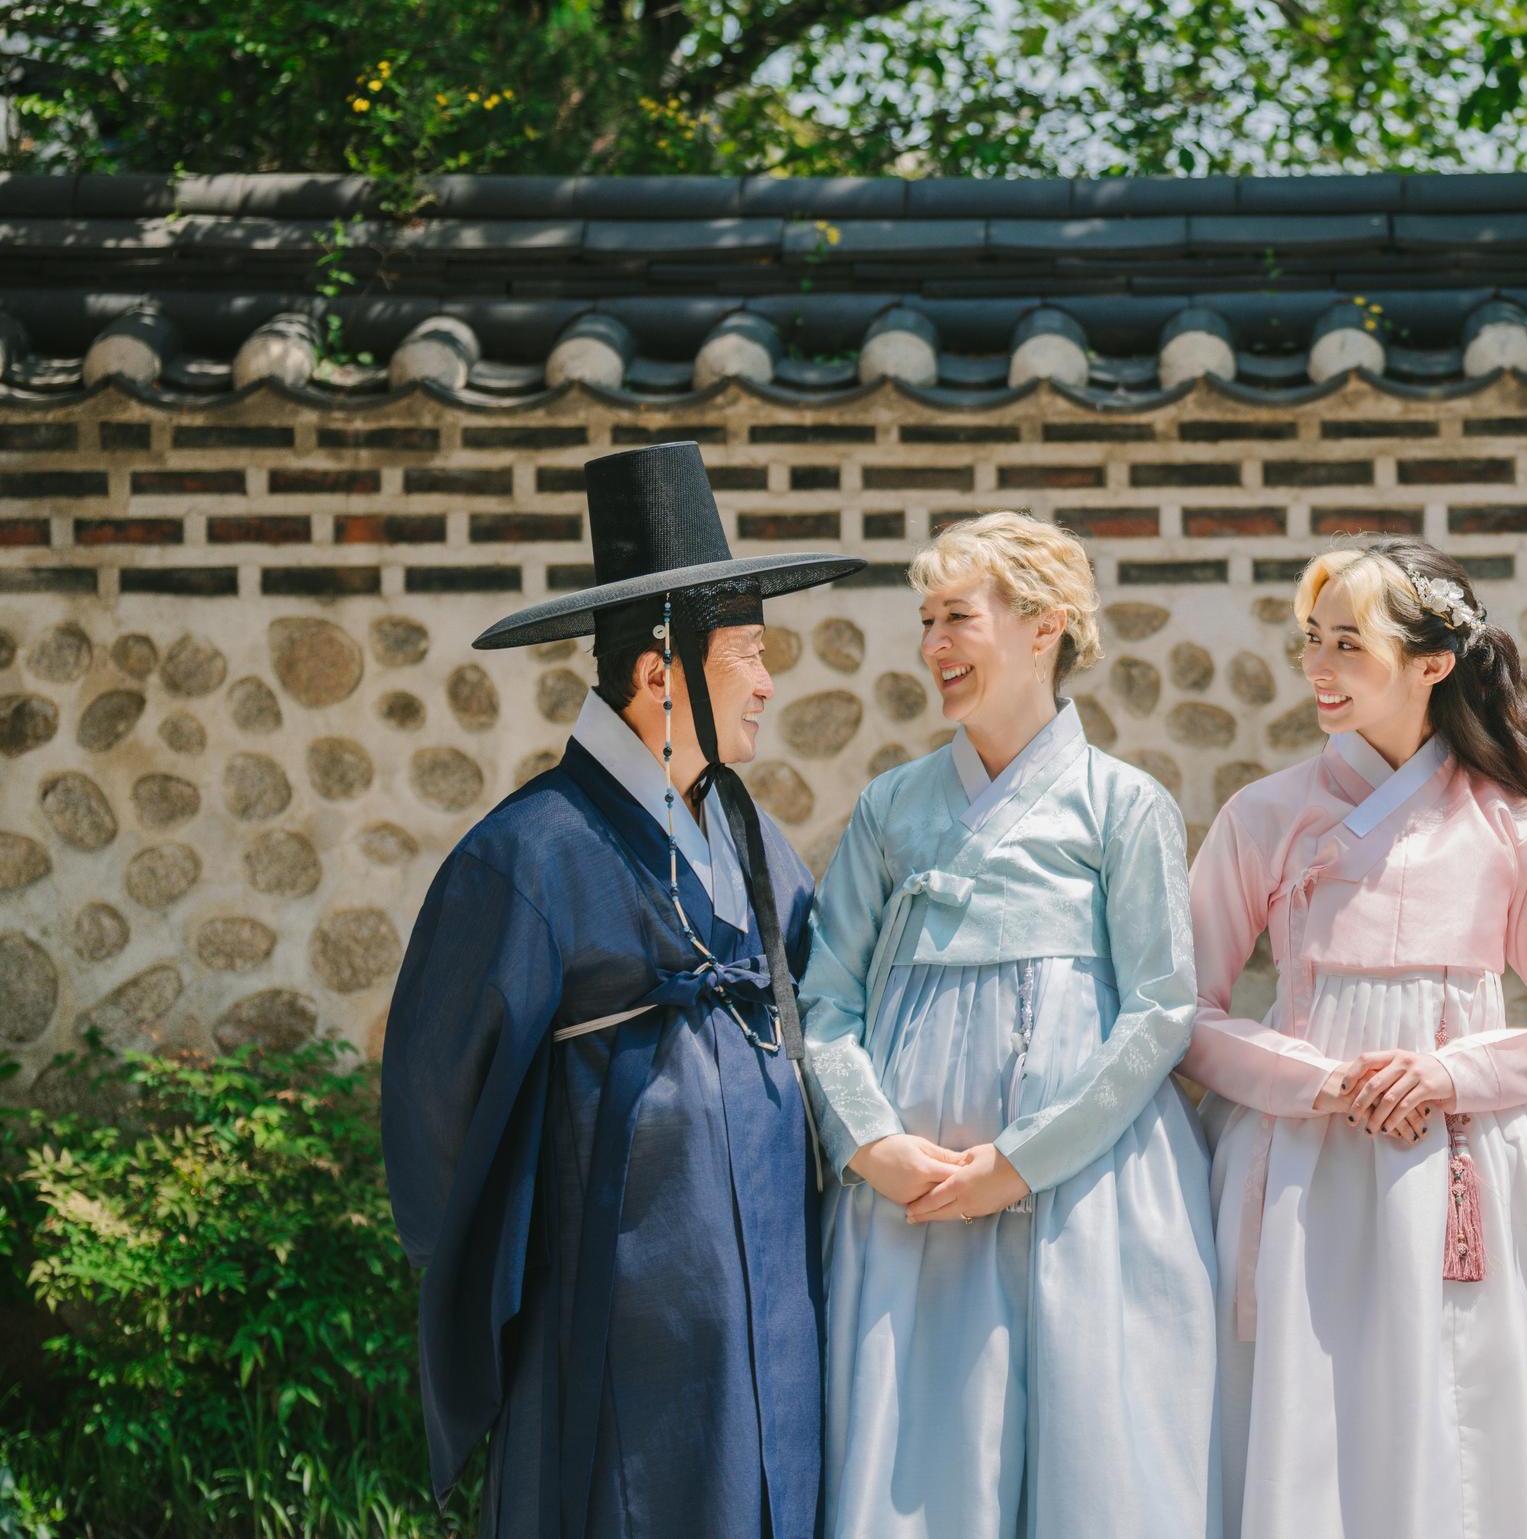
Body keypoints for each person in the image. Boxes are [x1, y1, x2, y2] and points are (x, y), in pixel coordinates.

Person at [382, 440, 862, 1539]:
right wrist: (528, 1271)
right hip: (616, 1320)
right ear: (661, 675)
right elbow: (431, 1120)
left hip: (770, 1308)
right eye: (746, 652)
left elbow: (828, 996)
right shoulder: (527, 857)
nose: (769, 680)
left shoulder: (745, 831)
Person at [1180, 539, 1527, 1539]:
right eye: (1312, 640)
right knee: (1309, 1429)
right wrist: (1315, 1080)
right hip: (1304, 1166)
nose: (1318, 666)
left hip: (1470, 1164)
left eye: (1349, 644)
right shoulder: (1262, 817)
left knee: (1469, 1425)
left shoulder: (1511, 828)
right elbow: (1186, 1016)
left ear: (1433, 660)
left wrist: (1446, 1071)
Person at [797, 512, 1216, 1539]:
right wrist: (872, 1142)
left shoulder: (1123, 806)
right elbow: (826, 1002)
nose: (933, 644)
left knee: (1095, 1460)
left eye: (957, 617)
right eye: (925, 619)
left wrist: (1022, 1160)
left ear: (1046, 627)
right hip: (912, 1201)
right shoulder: (890, 810)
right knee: (919, 1461)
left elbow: (1161, 1007)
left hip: (1085, 1188)